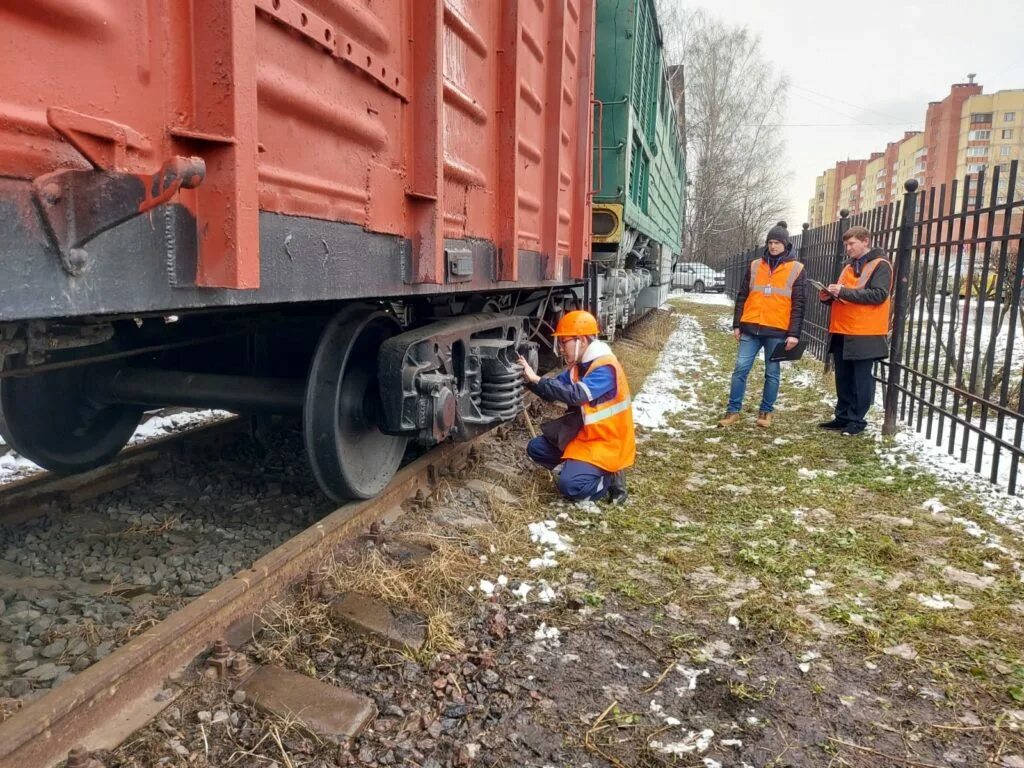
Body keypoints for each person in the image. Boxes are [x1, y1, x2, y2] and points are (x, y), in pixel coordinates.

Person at [517, 310, 634, 504]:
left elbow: (575, 395)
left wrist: (537, 378)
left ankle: (607, 479)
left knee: (569, 486)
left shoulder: (606, 368)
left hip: (605, 443)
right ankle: (578, 470)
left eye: (564, 342)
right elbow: (553, 390)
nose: (561, 348)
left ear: (581, 340)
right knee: (536, 448)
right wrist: (527, 379)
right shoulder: (578, 369)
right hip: (585, 437)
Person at [718, 221, 805, 429]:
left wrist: (794, 334)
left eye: (777, 242)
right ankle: (733, 411)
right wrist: (737, 324)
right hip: (751, 327)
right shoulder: (755, 265)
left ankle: (766, 412)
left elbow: (799, 304)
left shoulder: (796, 268)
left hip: (777, 331)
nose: (773, 246)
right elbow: (742, 296)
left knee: (772, 372)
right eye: (770, 242)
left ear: (786, 244)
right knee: (740, 369)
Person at [818, 225, 893, 436]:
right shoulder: (848, 267)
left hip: (865, 332)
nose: (848, 248)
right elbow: (844, 295)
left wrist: (844, 292)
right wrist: (828, 295)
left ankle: (857, 420)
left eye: (851, 244)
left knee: (860, 379)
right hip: (843, 329)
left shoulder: (881, 265)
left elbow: (878, 295)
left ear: (866, 241)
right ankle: (842, 416)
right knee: (843, 377)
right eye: (846, 244)